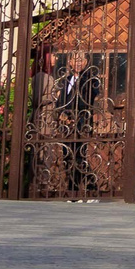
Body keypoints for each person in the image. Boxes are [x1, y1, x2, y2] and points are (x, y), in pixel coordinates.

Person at [46, 48, 100, 198]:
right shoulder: (66, 80)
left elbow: (87, 100)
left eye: (80, 60)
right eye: (74, 60)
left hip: (81, 122)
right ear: (69, 62)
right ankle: (73, 191)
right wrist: (61, 114)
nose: (77, 63)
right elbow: (61, 101)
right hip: (67, 125)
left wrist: (73, 114)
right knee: (68, 157)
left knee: (79, 157)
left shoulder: (91, 79)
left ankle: (90, 187)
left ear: (86, 62)